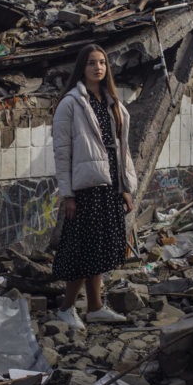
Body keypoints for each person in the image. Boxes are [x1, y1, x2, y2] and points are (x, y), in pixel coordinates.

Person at [51, 44, 137, 330]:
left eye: (102, 63)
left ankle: (95, 307)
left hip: (110, 185)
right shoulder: (71, 104)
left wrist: (125, 186)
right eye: (91, 63)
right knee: (83, 250)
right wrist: (68, 194)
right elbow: (62, 153)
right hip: (86, 187)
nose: (98, 67)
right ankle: (65, 308)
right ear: (82, 68)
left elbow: (121, 150)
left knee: (99, 250)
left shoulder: (113, 102)